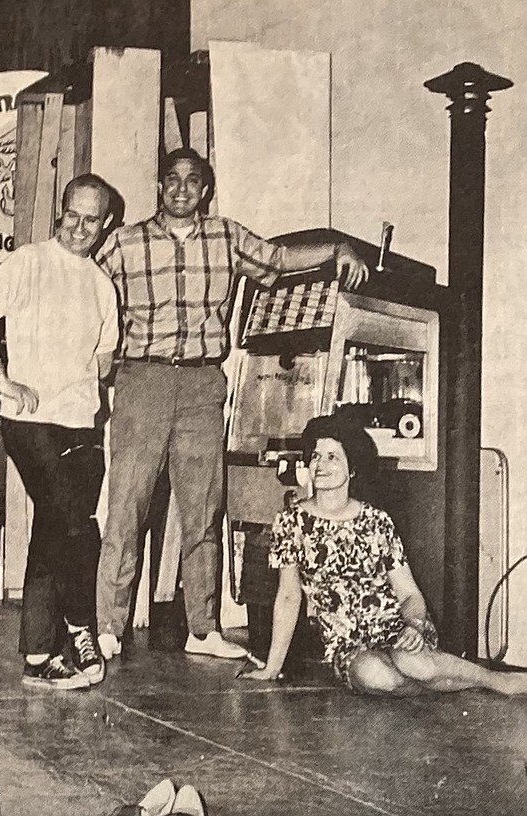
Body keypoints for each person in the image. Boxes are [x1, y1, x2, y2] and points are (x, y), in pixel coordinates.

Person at [94, 147, 371, 663]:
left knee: (203, 510)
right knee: (126, 507)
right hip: (142, 382)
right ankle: (108, 627)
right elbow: (82, 287)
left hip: (202, 385)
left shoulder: (226, 236)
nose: (181, 189)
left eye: (191, 180)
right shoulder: (124, 243)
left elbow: (282, 259)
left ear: (205, 189)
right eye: (171, 180)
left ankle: (202, 628)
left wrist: (339, 248)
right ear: (159, 187)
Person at [240, 415, 527, 696]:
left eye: (332, 457)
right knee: (378, 676)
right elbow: (289, 596)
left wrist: (414, 626)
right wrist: (272, 667)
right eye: (315, 456)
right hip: (347, 643)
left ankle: (497, 681)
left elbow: (410, 594)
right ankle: (454, 682)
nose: (320, 465)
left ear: (353, 468)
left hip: (397, 627)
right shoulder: (291, 521)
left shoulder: (377, 521)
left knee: (412, 662)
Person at [0, 175, 118, 689]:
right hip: (29, 422)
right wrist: (4, 379)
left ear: (106, 225)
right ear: (60, 213)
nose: (78, 227)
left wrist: (88, 393)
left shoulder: (102, 285)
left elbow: (102, 362)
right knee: (73, 524)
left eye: (90, 220)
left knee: (55, 529)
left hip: (80, 424)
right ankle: (81, 630)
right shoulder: (28, 261)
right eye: (71, 215)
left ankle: (36, 655)